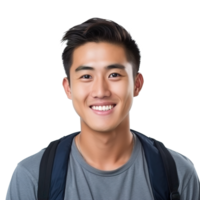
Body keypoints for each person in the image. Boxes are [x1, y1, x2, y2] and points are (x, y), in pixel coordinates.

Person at [4, 17, 199, 200]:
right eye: (86, 76)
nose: (100, 91)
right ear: (68, 88)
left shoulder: (179, 174)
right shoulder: (31, 176)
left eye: (114, 74)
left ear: (138, 84)